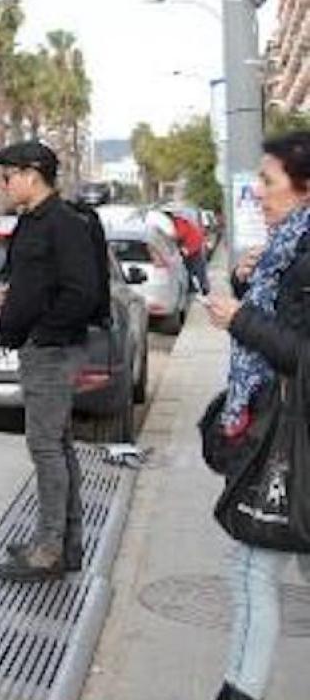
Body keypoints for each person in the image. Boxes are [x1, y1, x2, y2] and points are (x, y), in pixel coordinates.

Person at [204, 131, 310, 700]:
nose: (258, 197)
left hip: (296, 442)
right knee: (259, 567)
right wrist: (250, 281)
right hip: (288, 434)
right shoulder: (289, 247)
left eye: (267, 183)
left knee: (251, 570)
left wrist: (241, 318)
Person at [0, 141, 97, 582]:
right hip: (41, 347)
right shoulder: (33, 222)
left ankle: (49, 549)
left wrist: (41, 333)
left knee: (46, 447)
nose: (4, 184)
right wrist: (11, 298)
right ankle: (64, 543)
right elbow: (36, 281)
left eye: (8, 175)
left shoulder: (64, 223)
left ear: (33, 174)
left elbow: (82, 292)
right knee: (58, 444)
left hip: (51, 351)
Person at [173, 209, 211, 296]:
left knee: (197, 268)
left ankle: (203, 287)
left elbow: (180, 235)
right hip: (193, 246)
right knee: (190, 268)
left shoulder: (180, 222)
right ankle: (193, 286)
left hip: (193, 246)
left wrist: (172, 236)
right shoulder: (181, 222)